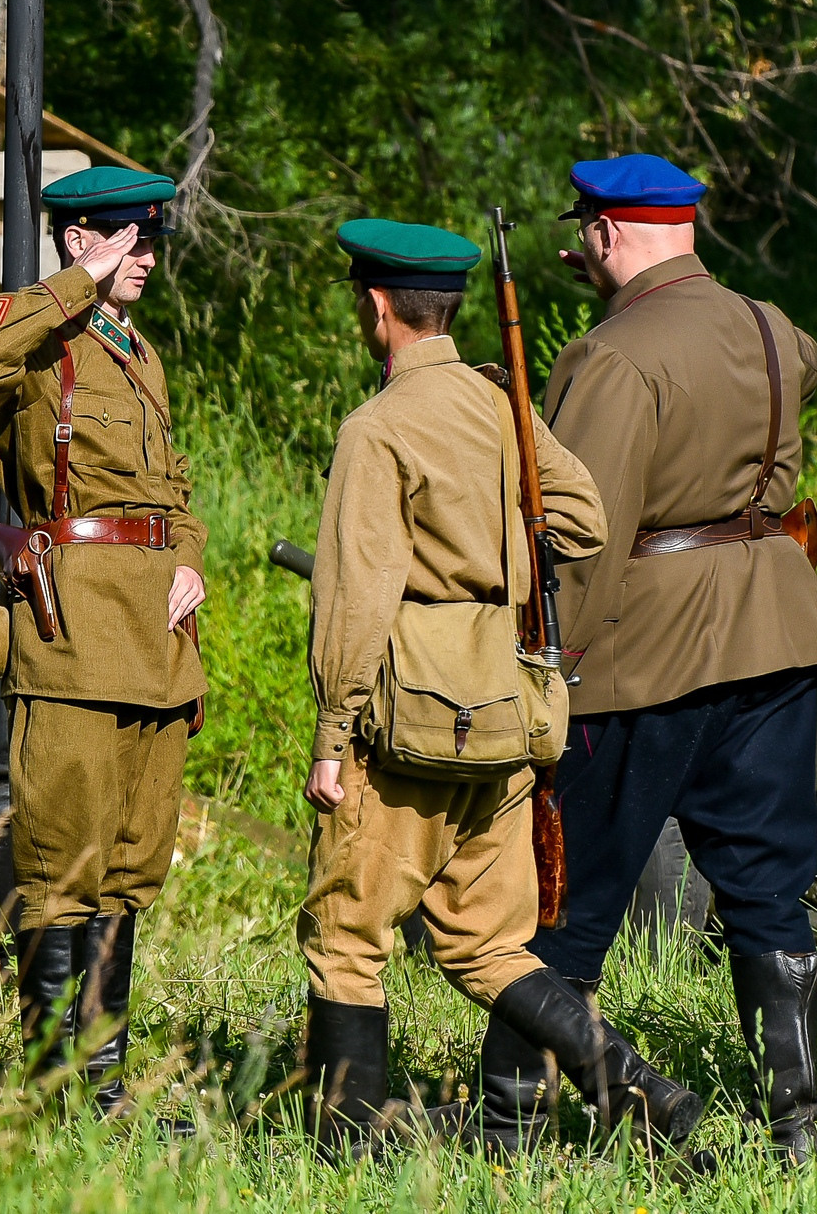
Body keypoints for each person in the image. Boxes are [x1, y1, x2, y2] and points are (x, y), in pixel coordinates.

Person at [529, 153, 817, 1163]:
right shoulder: (771, 327)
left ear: (606, 232)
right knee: (766, 886)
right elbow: (803, 363)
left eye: (581, 230)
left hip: (646, 648)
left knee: (567, 897)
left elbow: (585, 530)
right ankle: (795, 1122)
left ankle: (520, 1117)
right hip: (774, 625)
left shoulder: (612, 356)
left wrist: (547, 663)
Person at [297, 217, 621, 1160]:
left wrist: (331, 736)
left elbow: (357, 601)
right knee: (490, 942)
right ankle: (644, 1092)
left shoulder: (378, 428)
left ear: (376, 305)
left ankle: (345, 1150)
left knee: (348, 934)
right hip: (508, 707)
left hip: (406, 720)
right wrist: (505, 555)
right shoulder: (498, 404)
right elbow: (586, 518)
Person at [0, 165, 204, 1117]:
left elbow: (170, 481)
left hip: (154, 639)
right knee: (62, 861)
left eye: (149, 243)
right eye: (127, 241)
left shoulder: (141, 354)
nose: (144, 258)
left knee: (131, 864)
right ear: (79, 240)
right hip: (72, 631)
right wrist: (75, 285)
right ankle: (57, 1083)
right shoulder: (40, 336)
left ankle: (105, 1077)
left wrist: (188, 553)